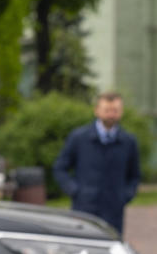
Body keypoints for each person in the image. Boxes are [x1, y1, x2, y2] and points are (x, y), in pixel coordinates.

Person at [52, 91, 141, 234]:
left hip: (114, 211)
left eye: (115, 110)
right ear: (97, 111)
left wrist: (125, 196)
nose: (111, 114)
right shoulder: (79, 138)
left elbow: (134, 175)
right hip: (84, 209)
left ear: (121, 112)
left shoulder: (128, 142)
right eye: (107, 110)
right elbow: (60, 168)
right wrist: (75, 191)